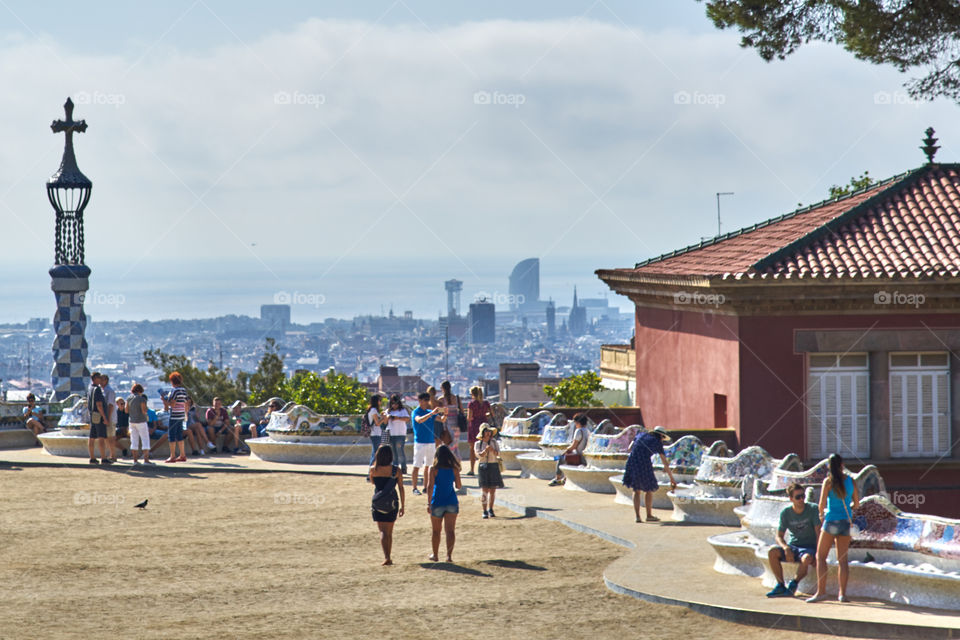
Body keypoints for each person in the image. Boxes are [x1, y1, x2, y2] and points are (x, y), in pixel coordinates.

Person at [806, 454, 860, 603]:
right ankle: (842, 594)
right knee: (842, 560)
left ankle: (821, 592)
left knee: (821, 557)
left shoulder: (828, 482)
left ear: (829, 466)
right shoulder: (851, 481)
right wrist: (848, 508)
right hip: (845, 523)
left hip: (831, 522)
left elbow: (821, 504)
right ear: (842, 464)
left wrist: (821, 515)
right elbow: (856, 504)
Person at [767, 482, 821, 597]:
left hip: (808, 548)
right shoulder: (786, 513)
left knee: (806, 558)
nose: (801, 499)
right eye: (798, 497)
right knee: (772, 552)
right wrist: (786, 548)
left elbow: (818, 533)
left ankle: (793, 584)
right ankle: (780, 585)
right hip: (793, 546)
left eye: (803, 496)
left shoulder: (812, 509)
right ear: (791, 499)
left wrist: (818, 553)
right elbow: (779, 536)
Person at [622, 426, 678, 522]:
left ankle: (637, 517)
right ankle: (649, 515)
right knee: (649, 489)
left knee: (636, 490)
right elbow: (665, 462)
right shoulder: (657, 442)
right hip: (644, 463)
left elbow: (630, 448)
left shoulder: (640, 434)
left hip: (632, 462)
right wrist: (672, 479)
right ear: (660, 435)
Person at [369, 444, 405, 566]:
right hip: (392, 502)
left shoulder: (373, 470)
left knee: (382, 532)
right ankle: (389, 556)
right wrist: (403, 506)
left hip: (378, 502)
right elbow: (401, 488)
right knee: (389, 532)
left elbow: (373, 482)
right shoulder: (396, 470)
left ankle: (387, 557)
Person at [425, 444, 462, 562]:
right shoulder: (454, 469)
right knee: (450, 531)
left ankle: (435, 555)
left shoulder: (433, 469)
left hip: (437, 501)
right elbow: (459, 485)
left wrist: (428, 503)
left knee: (436, 531)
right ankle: (449, 556)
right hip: (451, 500)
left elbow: (430, 487)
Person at [410, 392, 443, 495]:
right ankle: (414, 488)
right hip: (420, 442)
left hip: (430, 442)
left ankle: (426, 487)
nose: (427, 402)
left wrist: (445, 413)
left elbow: (442, 420)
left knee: (429, 466)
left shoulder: (430, 411)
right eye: (425, 400)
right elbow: (419, 420)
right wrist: (431, 414)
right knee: (416, 466)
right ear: (420, 401)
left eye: (427, 400)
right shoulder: (416, 412)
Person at [548, 413, 590, 487]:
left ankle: (557, 478)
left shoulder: (578, 431)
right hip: (585, 456)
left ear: (578, 422)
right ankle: (565, 478)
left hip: (579, 456)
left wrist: (565, 451)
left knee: (560, 458)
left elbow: (573, 446)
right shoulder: (587, 431)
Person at [474, 424, 504, 519]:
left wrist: (492, 450)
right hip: (483, 467)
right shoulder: (478, 444)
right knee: (484, 490)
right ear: (482, 433)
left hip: (493, 465)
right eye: (486, 431)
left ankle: (491, 509)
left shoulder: (494, 442)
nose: (488, 433)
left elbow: (498, 454)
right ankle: (484, 510)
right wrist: (485, 451)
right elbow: (478, 455)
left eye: (489, 431)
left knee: (492, 490)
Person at [162, 371, 190, 463]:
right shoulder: (183, 390)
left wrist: (165, 401)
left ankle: (172, 456)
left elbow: (172, 404)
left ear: (172, 381)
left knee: (172, 436)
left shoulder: (174, 391)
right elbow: (186, 403)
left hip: (174, 415)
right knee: (179, 435)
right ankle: (182, 455)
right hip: (181, 415)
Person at [466, 385, 492, 476]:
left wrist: (475, 417)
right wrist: (484, 415)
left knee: (473, 449)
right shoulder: (486, 403)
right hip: (484, 426)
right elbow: (491, 413)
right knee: (485, 447)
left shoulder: (471, 404)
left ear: (473, 394)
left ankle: (472, 469)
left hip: (474, 426)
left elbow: (469, 417)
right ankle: (487, 467)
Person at [126, 383, 153, 465]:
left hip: (131, 421)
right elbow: (144, 411)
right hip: (141, 421)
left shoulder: (129, 398)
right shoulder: (141, 399)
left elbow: (126, 410)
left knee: (134, 440)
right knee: (145, 440)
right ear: (140, 391)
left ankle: (135, 460)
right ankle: (146, 460)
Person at [86, 372, 109, 465]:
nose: (101, 380)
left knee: (91, 438)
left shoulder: (90, 389)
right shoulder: (98, 389)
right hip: (99, 416)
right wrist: (104, 417)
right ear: (95, 379)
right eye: (99, 378)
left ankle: (92, 457)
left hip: (92, 416)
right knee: (101, 438)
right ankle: (103, 457)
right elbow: (99, 405)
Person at [385, 395, 410, 474]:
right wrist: (387, 417)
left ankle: (403, 467)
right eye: (393, 403)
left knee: (400, 450)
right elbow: (385, 422)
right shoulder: (388, 411)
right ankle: (395, 466)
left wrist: (398, 418)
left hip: (400, 434)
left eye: (396, 403)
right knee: (393, 451)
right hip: (391, 433)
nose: (394, 405)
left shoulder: (402, 410)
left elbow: (407, 419)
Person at [439, 381, 462, 461]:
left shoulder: (441, 399)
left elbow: (439, 412)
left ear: (443, 389)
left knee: (447, 445)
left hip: (446, 425)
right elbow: (461, 410)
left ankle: (449, 462)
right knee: (455, 446)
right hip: (456, 425)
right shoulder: (456, 398)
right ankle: (457, 463)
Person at [100, 374, 118, 462]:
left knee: (110, 437)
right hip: (108, 417)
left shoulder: (109, 391)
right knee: (107, 437)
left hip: (110, 418)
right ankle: (111, 454)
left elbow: (110, 405)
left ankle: (113, 455)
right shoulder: (104, 390)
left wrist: (107, 418)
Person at [365, 394, 386, 466]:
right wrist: (384, 418)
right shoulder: (373, 410)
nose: (380, 402)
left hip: (375, 433)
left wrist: (381, 415)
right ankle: (370, 473)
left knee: (375, 452)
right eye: (380, 400)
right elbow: (377, 423)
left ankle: (372, 472)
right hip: (375, 434)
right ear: (376, 401)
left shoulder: (372, 410)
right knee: (375, 453)